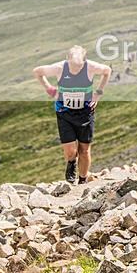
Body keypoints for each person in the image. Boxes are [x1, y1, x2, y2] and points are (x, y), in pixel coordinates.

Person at [32, 46, 112, 184]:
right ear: (67, 60)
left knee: (84, 150)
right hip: (64, 112)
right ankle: (71, 162)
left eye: (79, 67)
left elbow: (107, 71)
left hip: (85, 112)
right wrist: (50, 89)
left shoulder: (91, 67)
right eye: (72, 67)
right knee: (71, 151)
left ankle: (82, 180)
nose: (75, 70)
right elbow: (37, 72)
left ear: (84, 61)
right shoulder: (59, 68)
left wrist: (98, 94)